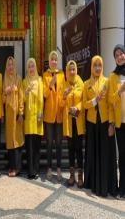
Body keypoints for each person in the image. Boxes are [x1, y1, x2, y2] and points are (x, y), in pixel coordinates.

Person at [83, 55, 118, 197]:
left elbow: (110, 104)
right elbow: (84, 104)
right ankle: (92, 184)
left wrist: (111, 123)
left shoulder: (107, 82)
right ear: (91, 67)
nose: (97, 68)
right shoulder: (86, 84)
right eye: (95, 65)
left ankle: (106, 186)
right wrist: (94, 101)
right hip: (92, 123)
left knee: (105, 154)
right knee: (92, 152)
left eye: (99, 65)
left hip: (104, 124)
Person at [61, 60, 84, 188]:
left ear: (76, 70)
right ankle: (71, 175)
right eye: (69, 69)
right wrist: (64, 96)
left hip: (78, 120)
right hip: (69, 121)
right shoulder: (64, 84)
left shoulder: (81, 83)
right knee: (70, 148)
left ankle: (80, 175)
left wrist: (78, 107)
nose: (71, 71)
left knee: (79, 148)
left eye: (73, 69)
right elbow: (60, 105)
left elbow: (84, 101)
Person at [43, 51, 65, 181]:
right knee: (49, 143)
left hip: (59, 114)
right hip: (49, 114)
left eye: (56, 59)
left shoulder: (62, 75)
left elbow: (62, 93)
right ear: (49, 61)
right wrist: (50, 85)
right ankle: (49, 168)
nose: (54, 61)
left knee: (59, 143)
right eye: (52, 59)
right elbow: (44, 95)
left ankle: (59, 168)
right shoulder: (45, 75)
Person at [108, 44, 125, 198]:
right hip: (120, 123)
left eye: (121, 54)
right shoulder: (113, 77)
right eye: (117, 55)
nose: (119, 57)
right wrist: (120, 91)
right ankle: (122, 188)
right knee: (123, 156)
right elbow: (111, 101)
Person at [23, 58, 43, 179]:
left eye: (32, 66)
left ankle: (36, 169)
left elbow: (41, 99)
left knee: (37, 145)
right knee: (29, 146)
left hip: (38, 116)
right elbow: (23, 100)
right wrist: (26, 92)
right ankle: (30, 171)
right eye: (29, 66)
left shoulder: (39, 80)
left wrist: (41, 114)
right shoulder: (25, 81)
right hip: (29, 117)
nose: (31, 69)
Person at [3, 56, 24, 177]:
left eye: (12, 65)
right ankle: (11, 166)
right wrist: (6, 92)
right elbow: (2, 99)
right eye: (8, 65)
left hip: (17, 114)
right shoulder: (5, 79)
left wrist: (21, 112)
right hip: (9, 115)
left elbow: (21, 97)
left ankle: (18, 167)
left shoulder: (19, 79)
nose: (10, 67)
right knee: (10, 141)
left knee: (18, 140)